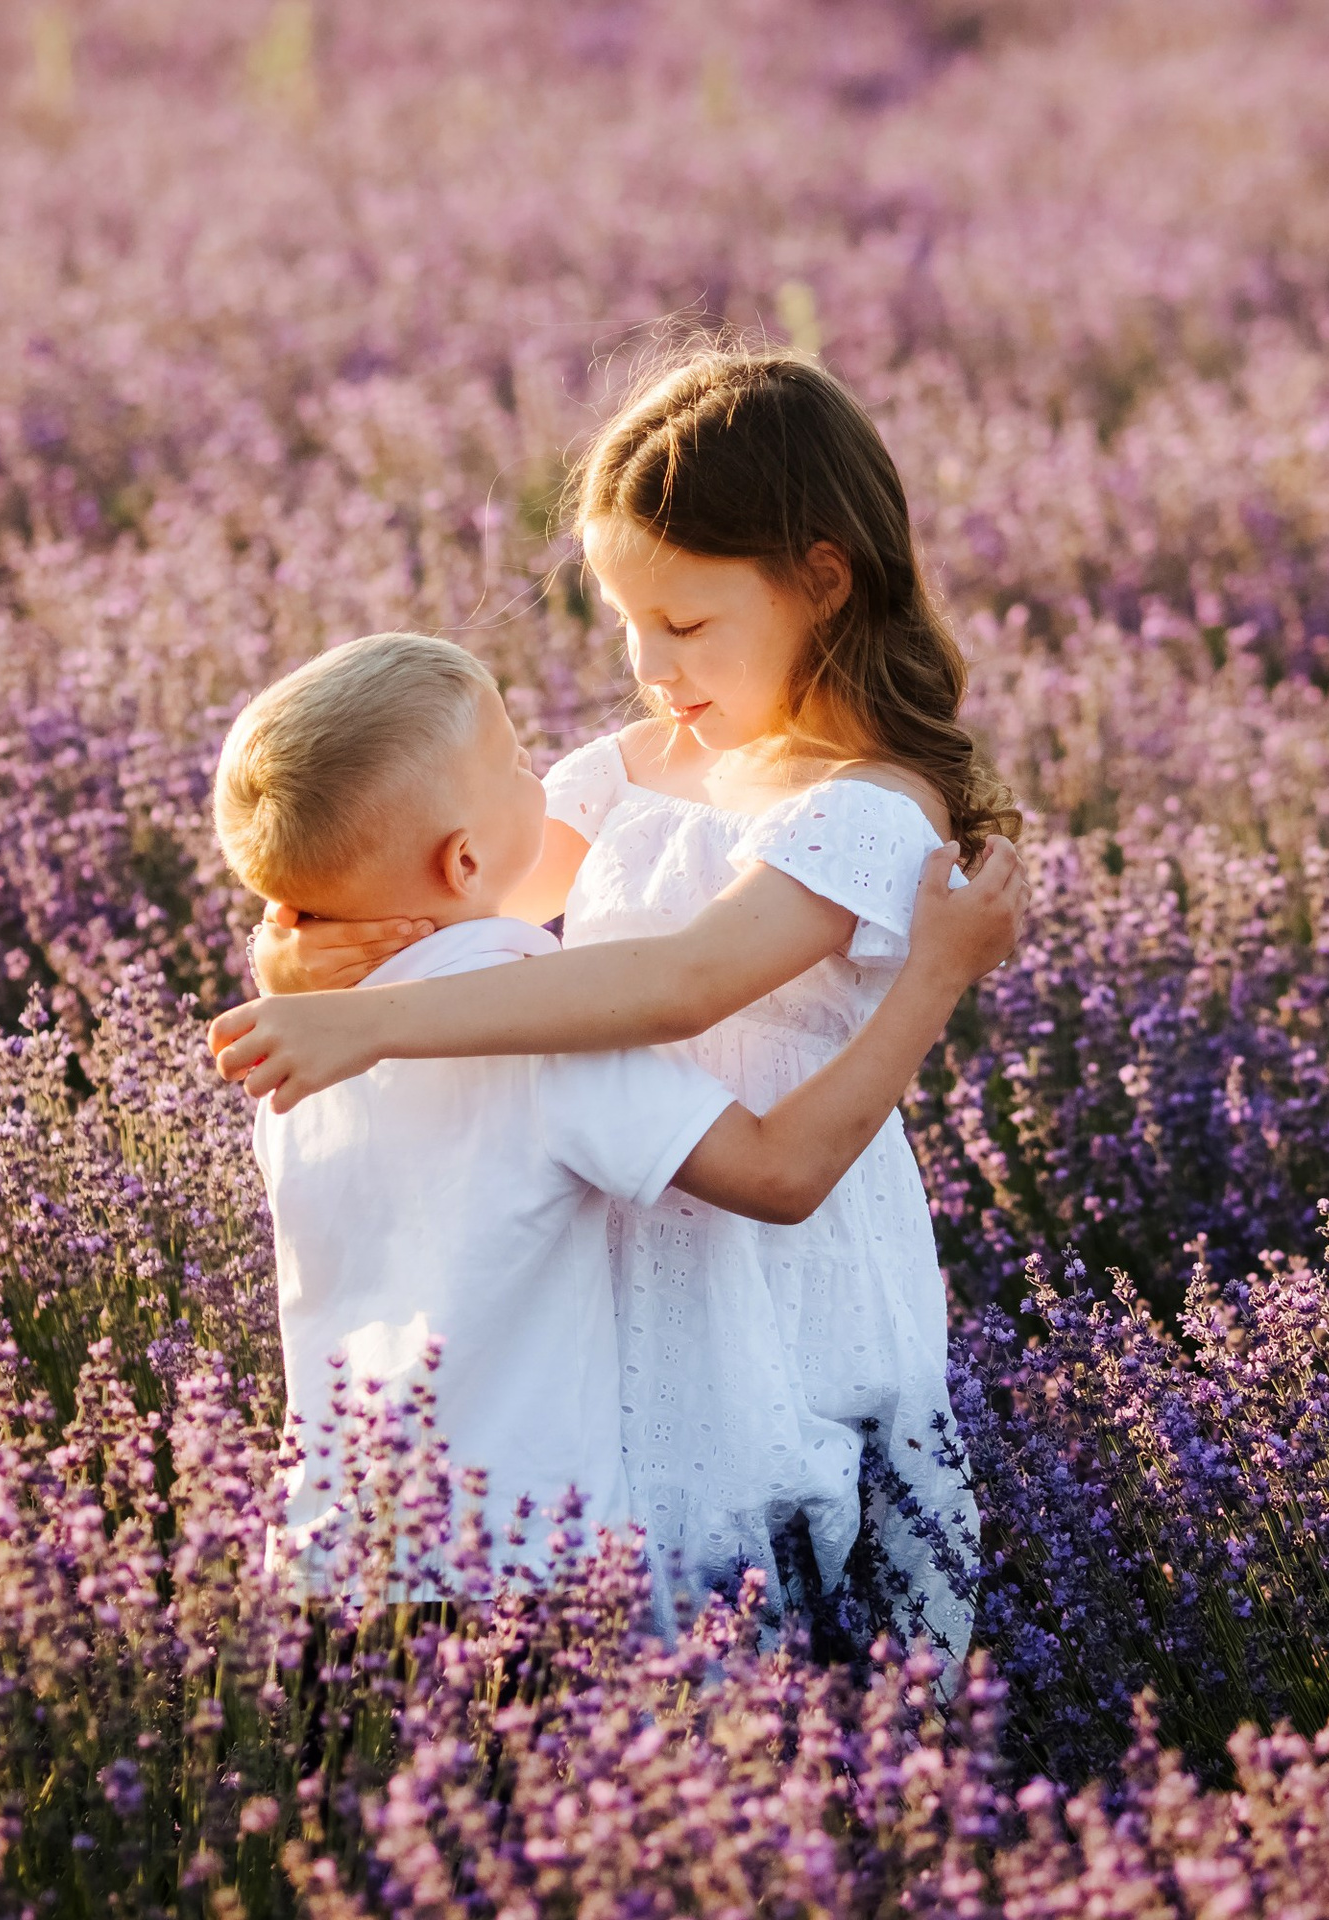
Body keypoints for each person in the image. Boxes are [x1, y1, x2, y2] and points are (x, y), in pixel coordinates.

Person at [210, 349, 1023, 1653]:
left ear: (824, 579)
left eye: (687, 626)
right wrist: (309, 940)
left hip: (780, 1268)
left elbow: (678, 982)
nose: (648, 665)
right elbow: (452, 879)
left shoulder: (868, 810)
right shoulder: (652, 760)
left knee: (798, 1631)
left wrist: (367, 1021)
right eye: (623, 620)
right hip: (630, 1256)